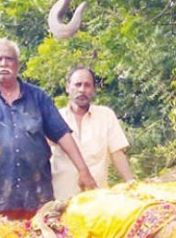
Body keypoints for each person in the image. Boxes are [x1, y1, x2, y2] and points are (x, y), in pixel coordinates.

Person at [0, 39, 96, 219]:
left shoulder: (38, 97)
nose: (3, 63)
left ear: (18, 65)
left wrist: (84, 171)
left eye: (9, 59)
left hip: (39, 200)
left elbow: (63, 135)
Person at [52, 66, 134, 201]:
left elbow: (117, 153)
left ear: (94, 90)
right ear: (68, 87)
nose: (82, 90)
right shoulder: (55, 118)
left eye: (87, 85)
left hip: (96, 202)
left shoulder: (106, 116)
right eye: (78, 85)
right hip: (61, 201)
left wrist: (131, 183)